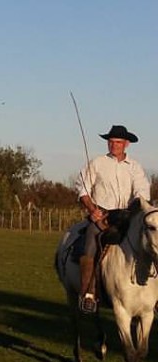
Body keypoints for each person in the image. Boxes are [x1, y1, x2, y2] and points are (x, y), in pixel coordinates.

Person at [73, 124, 149, 314]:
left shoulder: (135, 167)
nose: (113, 145)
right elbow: (82, 187)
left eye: (118, 142)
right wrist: (92, 209)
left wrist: (131, 212)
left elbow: (142, 192)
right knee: (91, 239)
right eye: (111, 142)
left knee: (151, 242)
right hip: (102, 216)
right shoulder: (97, 163)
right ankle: (88, 293)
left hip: (127, 215)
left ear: (126, 144)